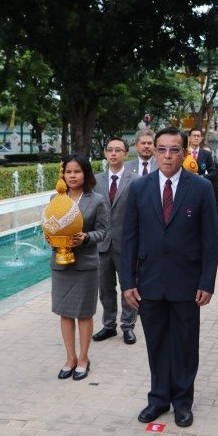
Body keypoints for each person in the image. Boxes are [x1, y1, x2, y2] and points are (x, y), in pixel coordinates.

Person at [121, 126, 218, 428]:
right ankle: (159, 398)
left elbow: (210, 240)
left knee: (186, 344)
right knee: (157, 343)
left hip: (187, 283)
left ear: (184, 152)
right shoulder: (139, 188)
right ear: (153, 151)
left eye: (174, 150)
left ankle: (182, 402)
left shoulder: (201, 188)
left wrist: (206, 282)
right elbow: (129, 238)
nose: (167, 156)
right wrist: (127, 282)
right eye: (161, 149)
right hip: (149, 282)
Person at [49, 154, 108, 381]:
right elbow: (50, 224)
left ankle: (83, 358)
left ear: (85, 173)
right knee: (65, 313)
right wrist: (50, 237)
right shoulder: (55, 198)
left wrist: (86, 238)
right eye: (68, 172)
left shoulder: (97, 200)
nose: (72, 176)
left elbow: (103, 231)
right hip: (60, 264)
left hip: (85, 265)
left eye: (77, 171)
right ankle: (70, 358)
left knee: (83, 314)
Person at [93, 137, 139, 345]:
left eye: (118, 150)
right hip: (102, 244)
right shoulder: (95, 181)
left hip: (127, 244)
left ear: (126, 154)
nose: (113, 153)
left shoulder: (136, 180)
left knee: (129, 287)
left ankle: (128, 326)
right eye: (110, 150)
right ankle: (109, 325)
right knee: (105, 289)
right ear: (105, 153)